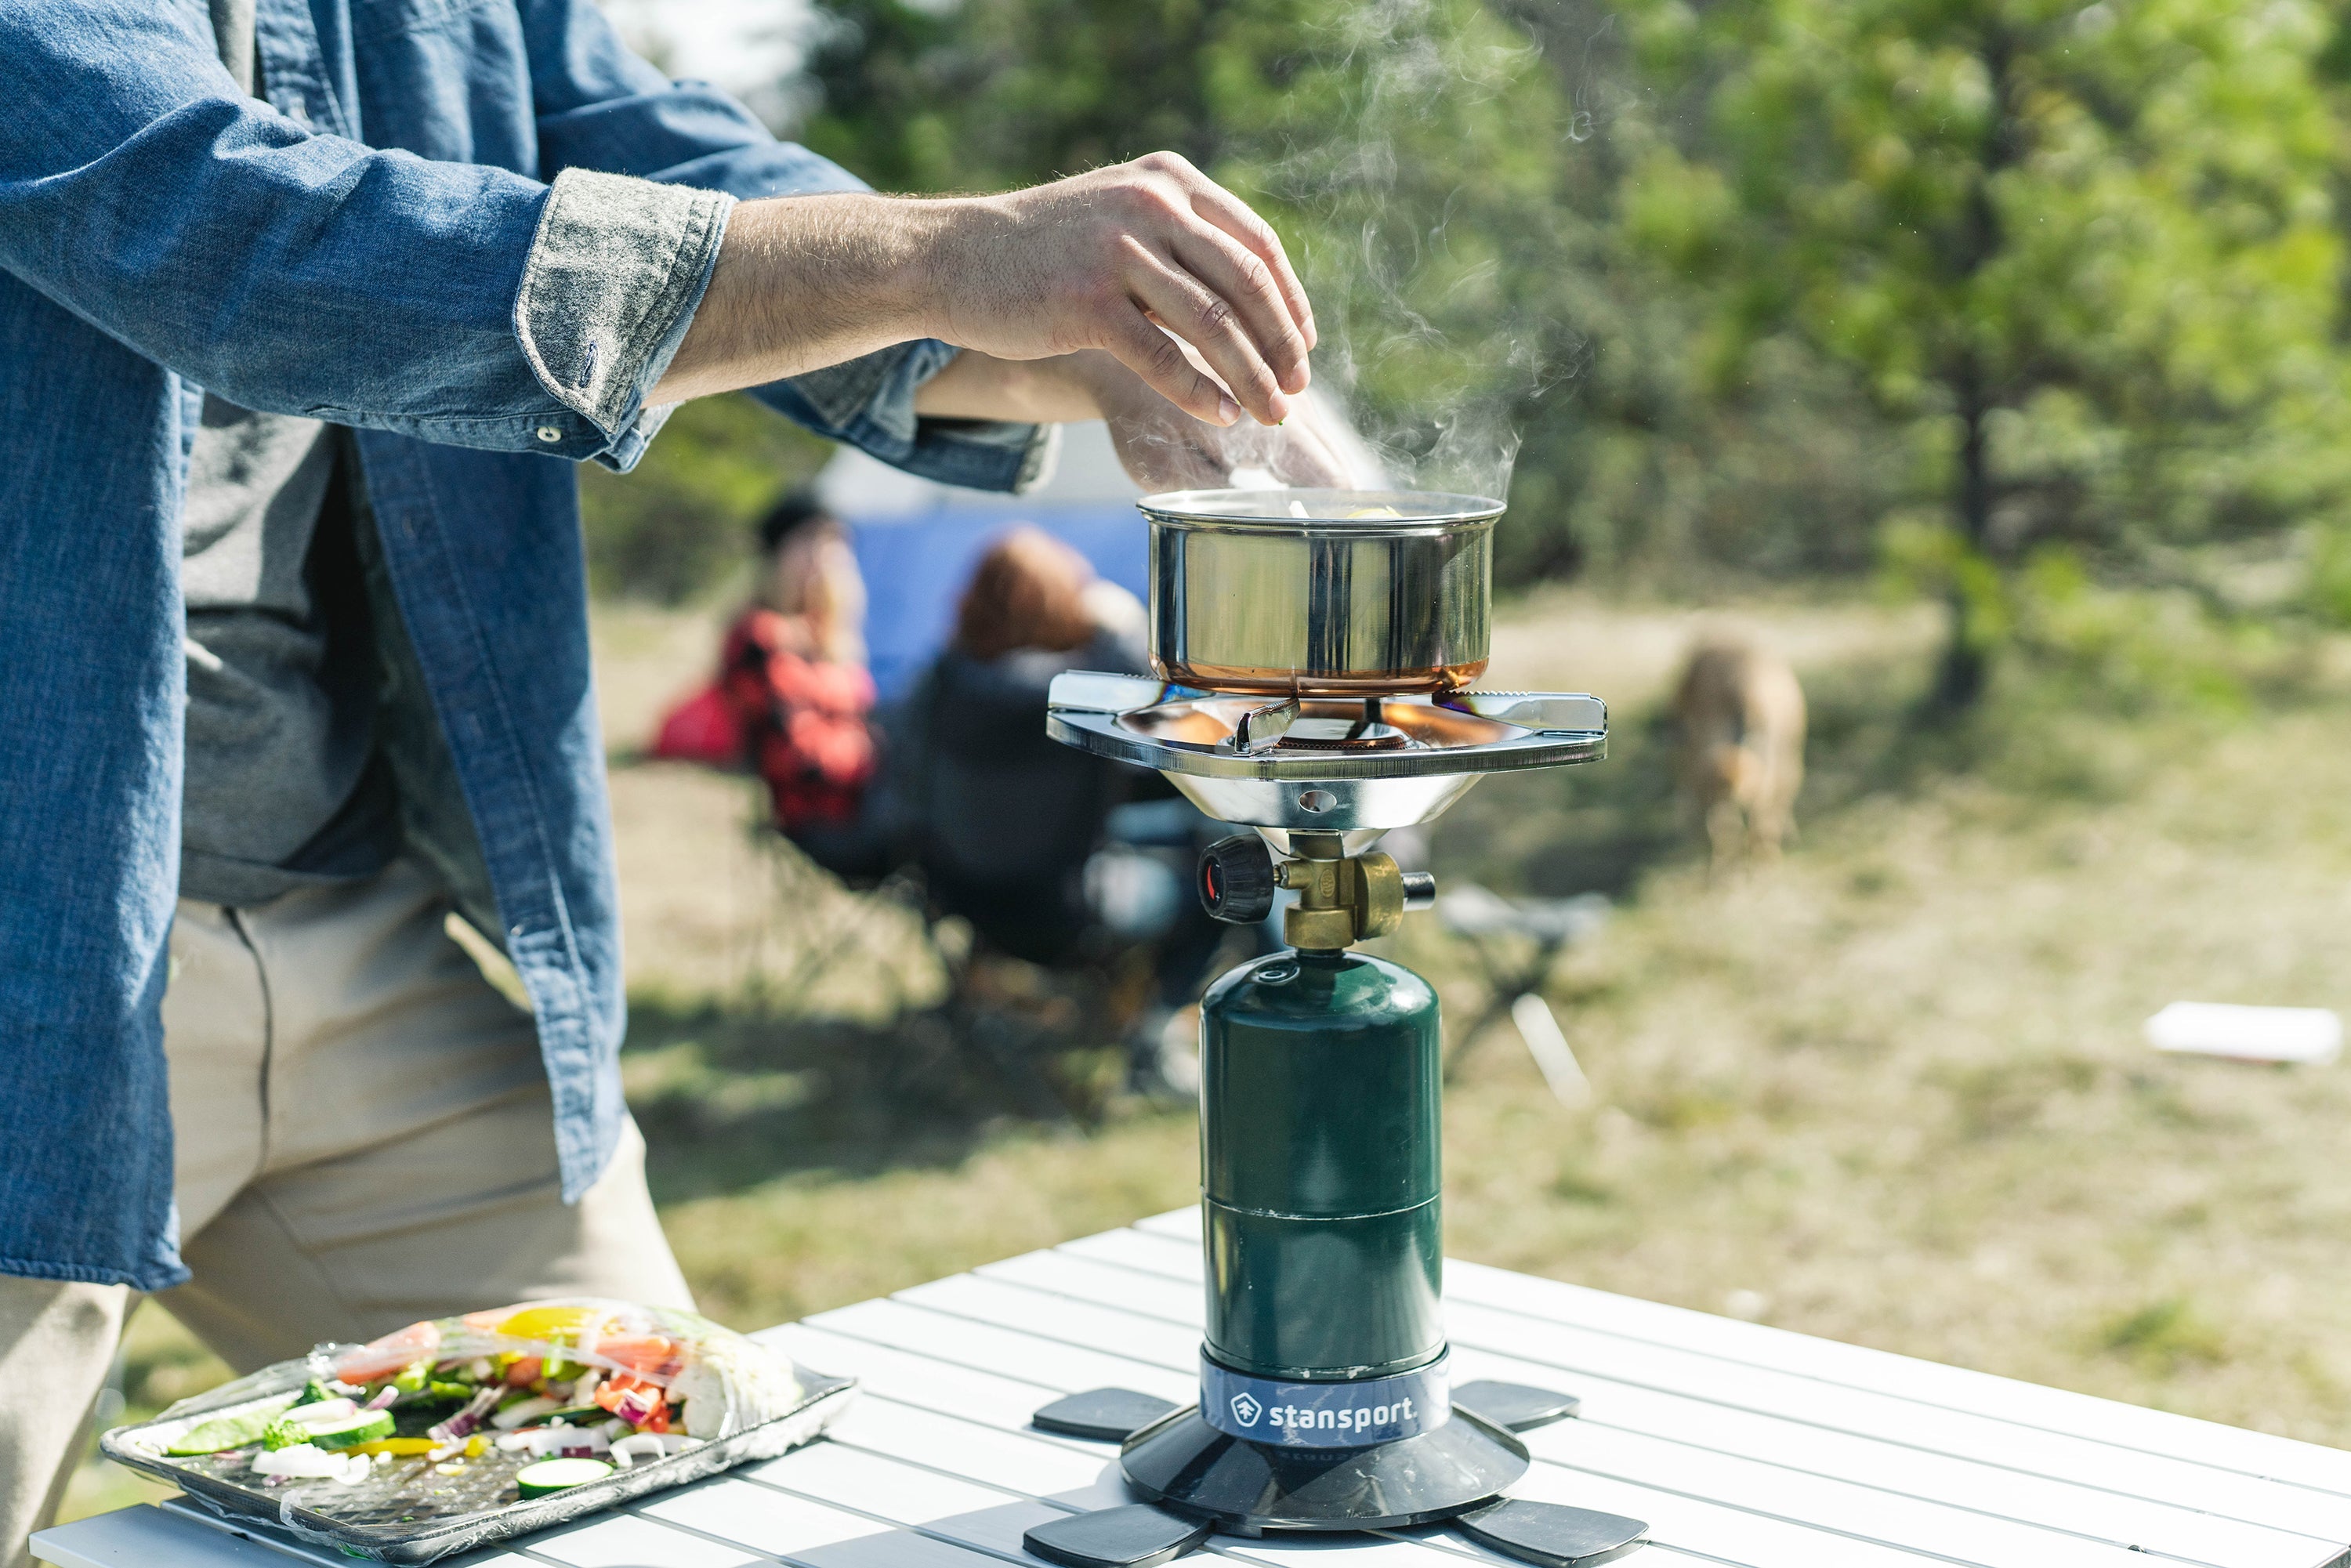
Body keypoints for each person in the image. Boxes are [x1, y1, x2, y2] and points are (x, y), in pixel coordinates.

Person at [0, 3, 1351, 1558]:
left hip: (361, 938)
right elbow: (242, 242)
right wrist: (947, 256)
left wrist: (1100, 336)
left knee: (667, 1507)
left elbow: (698, 178)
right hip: (35, 961)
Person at [897, 529, 1227, 1090]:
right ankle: (1152, 1036)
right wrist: (1120, 627)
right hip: (1069, 913)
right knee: (1217, 880)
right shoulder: (1081, 698)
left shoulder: (937, 686)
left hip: (962, 900)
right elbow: (1172, 725)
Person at [653, 490, 888, 878]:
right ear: (778, 554)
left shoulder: (831, 639)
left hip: (863, 801)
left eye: (834, 543)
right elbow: (796, 756)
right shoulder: (760, 638)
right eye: (809, 541)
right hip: (823, 815)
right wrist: (881, 758)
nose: (823, 556)